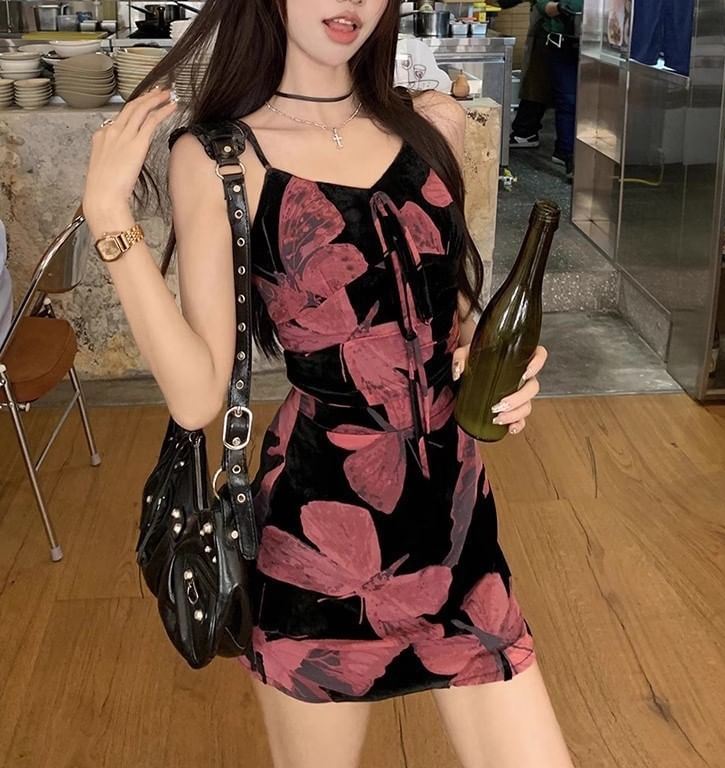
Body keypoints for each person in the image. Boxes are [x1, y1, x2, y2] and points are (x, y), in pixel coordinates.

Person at [80, 2, 576, 767]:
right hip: (319, 541)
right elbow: (197, 396)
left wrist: (498, 368)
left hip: (455, 525)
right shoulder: (220, 158)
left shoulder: (433, 126)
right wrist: (109, 214)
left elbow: (450, 318)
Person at [537, 0, 583, 180]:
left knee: (597, 102)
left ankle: (585, 156)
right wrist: (559, 7)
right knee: (568, 101)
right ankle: (569, 157)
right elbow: (542, 5)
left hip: (601, 44)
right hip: (563, 45)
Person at [499, 0, 553, 149]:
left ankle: (525, 131)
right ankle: (525, 131)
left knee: (535, 83)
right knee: (537, 82)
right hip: (549, 34)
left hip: (548, 36)